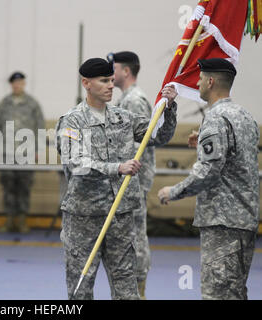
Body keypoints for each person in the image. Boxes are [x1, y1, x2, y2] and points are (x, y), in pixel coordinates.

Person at [55, 57, 178, 300]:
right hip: (85, 217)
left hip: (120, 216)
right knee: (81, 287)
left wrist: (169, 106)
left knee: (126, 286)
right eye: (103, 81)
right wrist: (117, 168)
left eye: (112, 80)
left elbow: (158, 134)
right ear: (86, 83)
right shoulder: (72, 121)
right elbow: (76, 163)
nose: (111, 85)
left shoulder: (123, 118)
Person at [158, 58, 260, 300]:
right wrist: (201, 146)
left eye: (201, 78)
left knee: (217, 294)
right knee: (235, 293)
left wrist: (173, 191)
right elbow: (232, 162)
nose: (198, 82)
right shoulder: (245, 116)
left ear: (211, 81)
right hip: (244, 220)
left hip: (223, 223)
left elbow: (208, 172)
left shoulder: (215, 118)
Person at [111, 51, 153, 298]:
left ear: (126, 71)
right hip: (127, 179)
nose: (110, 74)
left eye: (114, 68)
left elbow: (139, 144)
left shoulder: (134, 100)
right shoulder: (126, 99)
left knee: (135, 235)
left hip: (133, 181)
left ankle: (139, 289)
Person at [0, 71, 45, 233]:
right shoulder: (3, 104)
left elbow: (40, 127)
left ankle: (22, 220)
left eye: (20, 82)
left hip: (26, 152)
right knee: (8, 186)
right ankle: (9, 220)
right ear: (11, 85)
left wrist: (38, 150)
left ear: (24, 84)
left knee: (24, 186)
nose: (18, 85)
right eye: (15, 83)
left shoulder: (32, 104)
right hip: (6, 152)